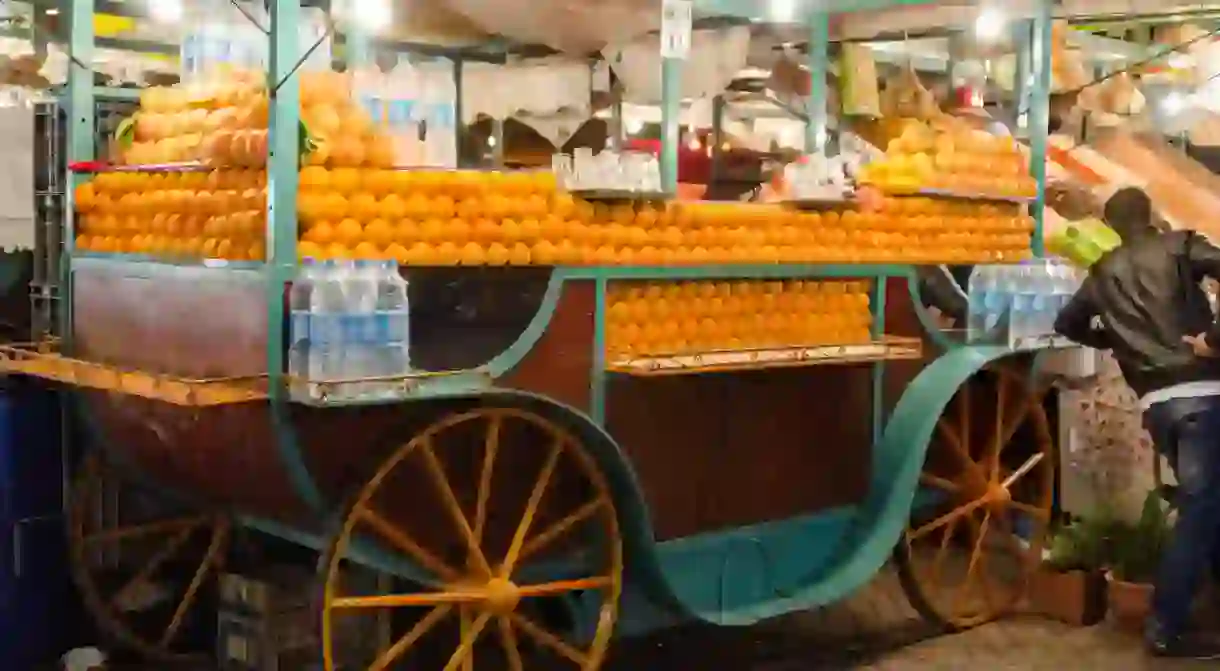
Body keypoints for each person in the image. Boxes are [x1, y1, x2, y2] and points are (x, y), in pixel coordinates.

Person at [1053, 187, 1220, 659]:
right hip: (1204, 394)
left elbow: (1068, 324)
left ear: (1110, 226)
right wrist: (1214, 339)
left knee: (1208, 507)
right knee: (1202, 512)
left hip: (1158, 405)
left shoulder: (1102, 273)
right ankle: (1167, 627)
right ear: (1151, 215)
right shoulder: (1180, 245)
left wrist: (1116, 341)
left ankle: (1200, 610)